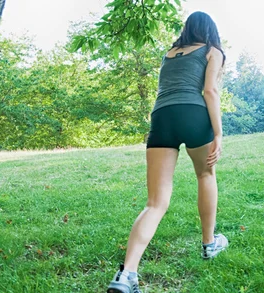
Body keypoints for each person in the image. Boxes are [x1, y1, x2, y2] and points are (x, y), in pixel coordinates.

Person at [107, 11, 228, 293]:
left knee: (155, 203)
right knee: (205, 174)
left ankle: (126, 275)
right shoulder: (212, 51)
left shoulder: (170, 53)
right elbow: (210, 91)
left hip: (161, 117)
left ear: (187, 29)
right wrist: (219, 134)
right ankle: (210, 244)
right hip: (193, 114)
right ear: (210, 30)